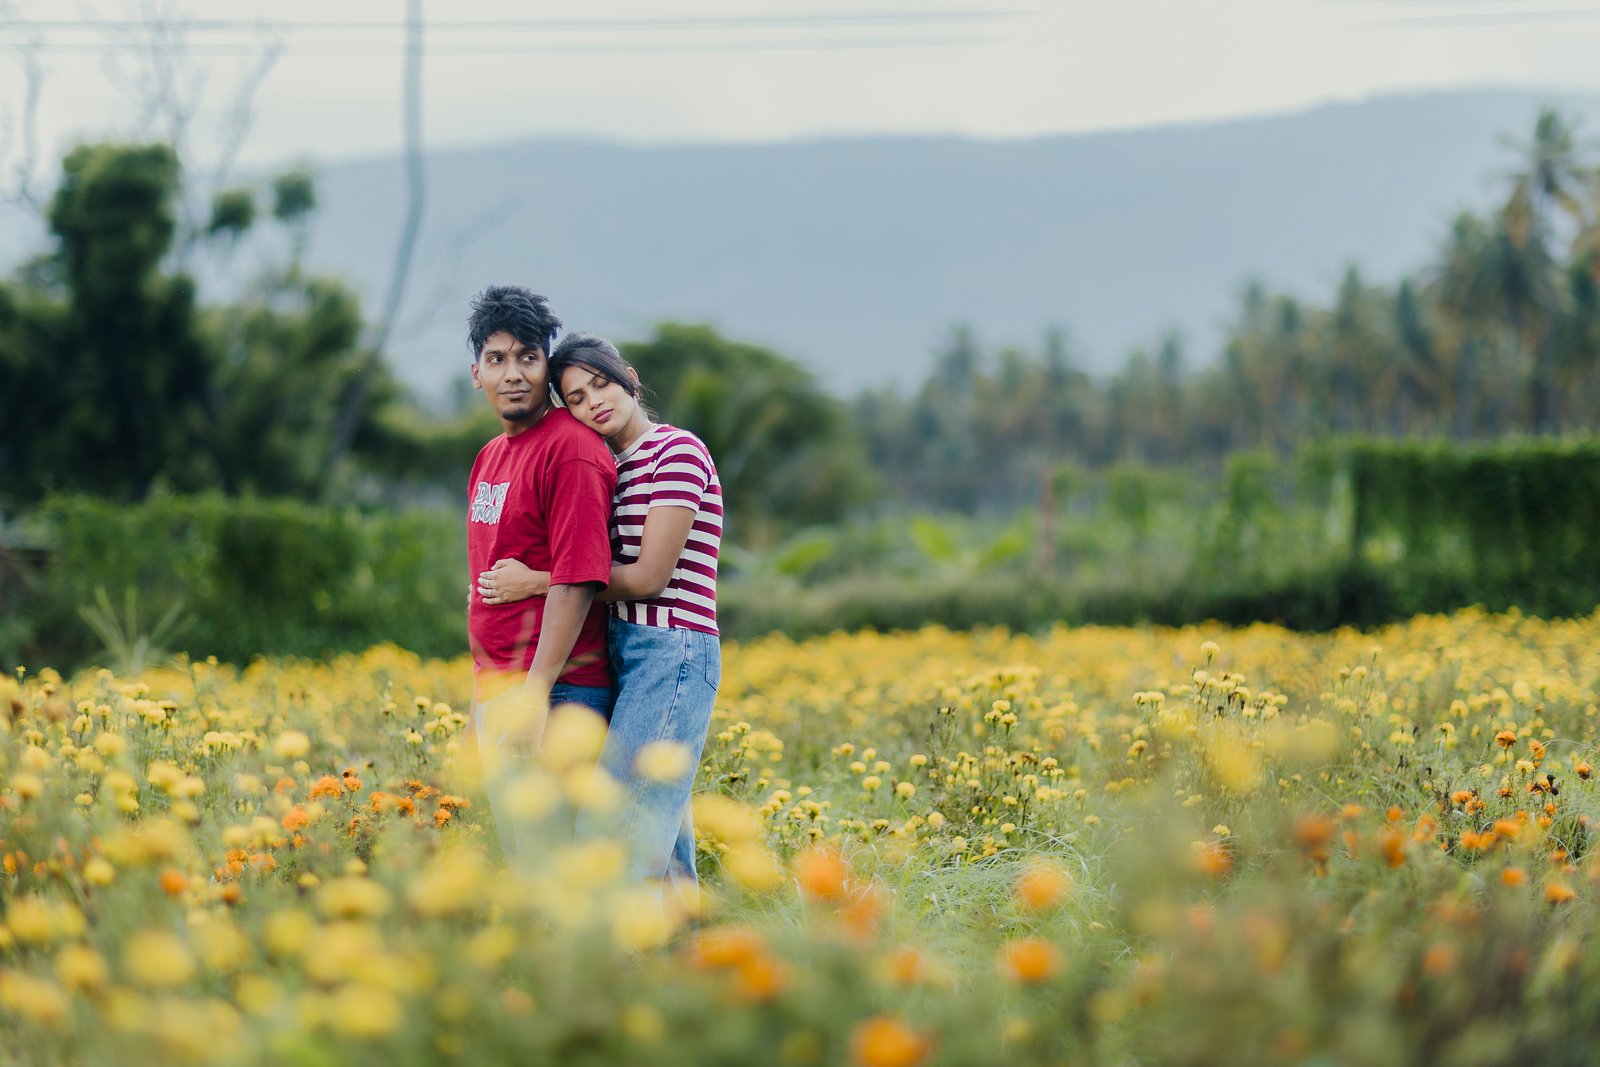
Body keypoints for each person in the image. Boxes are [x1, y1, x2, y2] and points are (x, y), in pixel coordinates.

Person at [477, 333, 723, 887]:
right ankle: (683, 937)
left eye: (601, 384)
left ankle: (622, 939)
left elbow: (649, 577)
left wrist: (538, 582)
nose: (594, 403)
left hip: (674, 651)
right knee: (661, 826)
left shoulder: (677, 451)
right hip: (625, 648)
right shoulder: (616, 464)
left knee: (620, 825)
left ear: (629, 378)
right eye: (577, 399)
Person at [463, 288, 617, 868]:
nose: (513, 374)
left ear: (547, 367)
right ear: (477, 373)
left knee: (553, 875)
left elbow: (578, 580)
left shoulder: (571, 451)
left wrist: (533, 695)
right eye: (497, 359)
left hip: (556, 695)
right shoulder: (490, 457)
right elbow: (485, 592)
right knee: (524, 870)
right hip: (502, 692)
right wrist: (478, 706)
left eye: (528, 357)